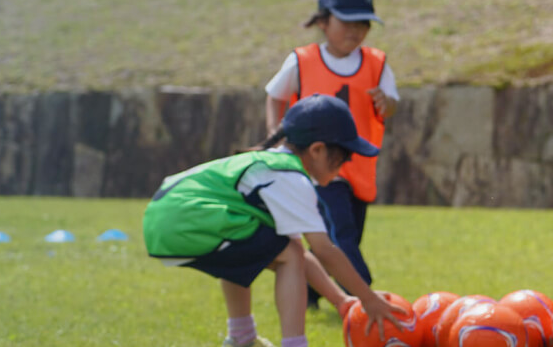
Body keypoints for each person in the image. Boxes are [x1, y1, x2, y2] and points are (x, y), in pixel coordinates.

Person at [143, 94, 404, 347]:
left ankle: (242, 338)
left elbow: (301, 253)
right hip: (184, 219)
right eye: (343, 158)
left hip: (163, 219)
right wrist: (368, 299)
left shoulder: (272, 166)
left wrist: (341, 301)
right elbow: (324, 250)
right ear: (317, 150)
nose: (344, 166)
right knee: (288, 253)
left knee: (273, 250)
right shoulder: (290, 177)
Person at [263, 0, 398, 308]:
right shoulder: (302, 60)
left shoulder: (377, 63)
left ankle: (311, 292)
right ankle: (363, 295)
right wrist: (274, 133)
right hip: (318, 166)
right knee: (342, 234)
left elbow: (392, 103)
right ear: (322, 21)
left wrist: (386, 102)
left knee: (342, 231)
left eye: (363, 23)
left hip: (359, 166)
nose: (356, 30)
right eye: (347, 22)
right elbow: (274, 95)